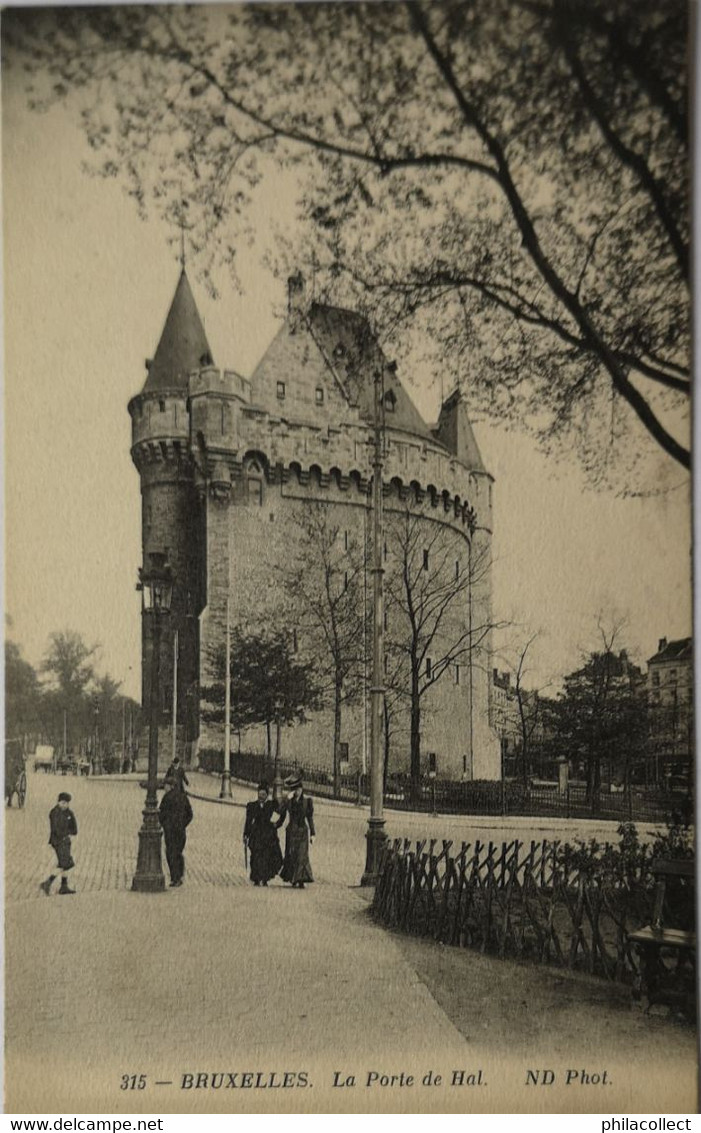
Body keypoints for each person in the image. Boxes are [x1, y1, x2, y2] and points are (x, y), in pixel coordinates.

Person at [243, 782, 284, 887]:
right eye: (259, 795)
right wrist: (245, 834)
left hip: (268, 835)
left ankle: (265, 878)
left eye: (263, 795)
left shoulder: (272, 805)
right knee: (256, 856)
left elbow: (282, 814)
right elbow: (248, 821)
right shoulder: (252, 806)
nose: (261, 797)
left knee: (267, 857)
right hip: (256, 834)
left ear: (267, 795)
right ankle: (256, 878)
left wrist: (276, 825)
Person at [278, 776, 315, 889]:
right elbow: (281, 812)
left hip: (303, 831)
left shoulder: (307, 802)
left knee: (302, 856)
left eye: (299, 789)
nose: (297, 792)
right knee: (292, 855)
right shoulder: (289, 802)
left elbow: (309, 818)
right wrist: (286, 799)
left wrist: (313, 833)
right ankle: (293, 879)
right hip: (291, 831)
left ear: (302, 790)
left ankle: (301, 880)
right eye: (295, 790)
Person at [40, 792, 78, 896]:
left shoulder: (69, 813)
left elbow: (75, 829)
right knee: (65, 863)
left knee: (66, 863)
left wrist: (68, 833)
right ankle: (48, 883)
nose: (65, 805)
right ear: (59, 802)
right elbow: (56, 829)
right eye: (63, 802)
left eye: (67, 803)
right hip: (57, 842)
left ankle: (63, 886)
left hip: (66, 842)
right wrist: (66, 834)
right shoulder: (54, 813)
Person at [158, 777, 193, 887]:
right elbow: (190, 814)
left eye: (166, 785)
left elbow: (161, 814)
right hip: (181, 830)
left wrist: (164, 825)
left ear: (170, 786)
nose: (164, 787)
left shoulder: (167, 797)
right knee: (178, 852)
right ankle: (180, 875)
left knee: (170, 853)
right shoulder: (183, 797)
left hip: (170, 830)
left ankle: (175, 877)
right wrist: (183, 824)